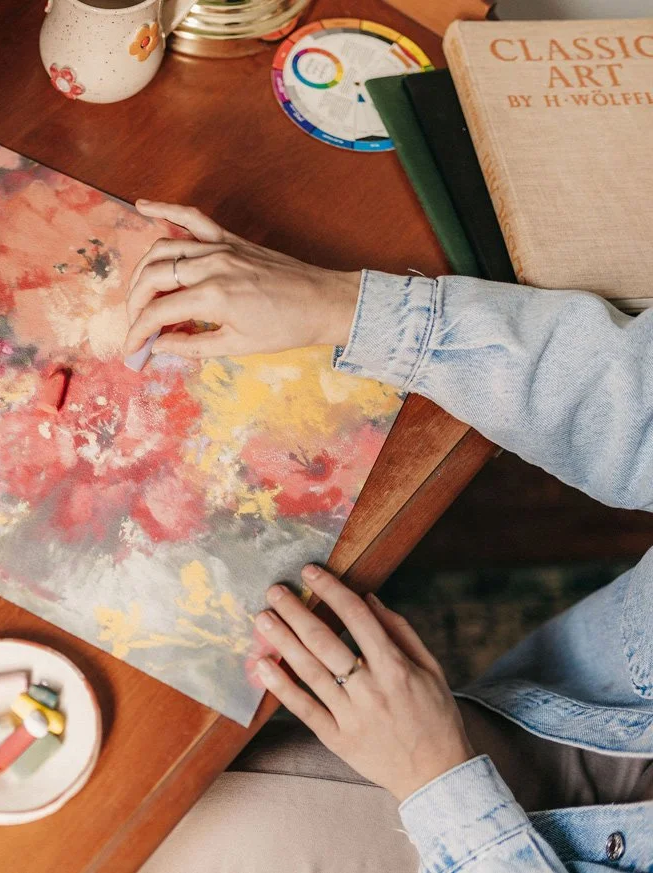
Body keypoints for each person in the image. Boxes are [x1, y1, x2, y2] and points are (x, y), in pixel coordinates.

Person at [125, 201, 653, 873]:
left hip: (478, 829)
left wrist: (434, 773)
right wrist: (342, 307)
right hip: (591, 714)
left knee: (167, 833)